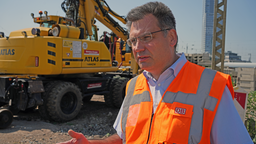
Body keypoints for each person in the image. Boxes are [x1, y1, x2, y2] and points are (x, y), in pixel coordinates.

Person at [58, 2, 253, 144]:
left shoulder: (211, 87)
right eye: (133, 41)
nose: (137, 48)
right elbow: (123, 138)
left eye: (147, 37)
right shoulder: (133, 86)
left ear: (172, 37)